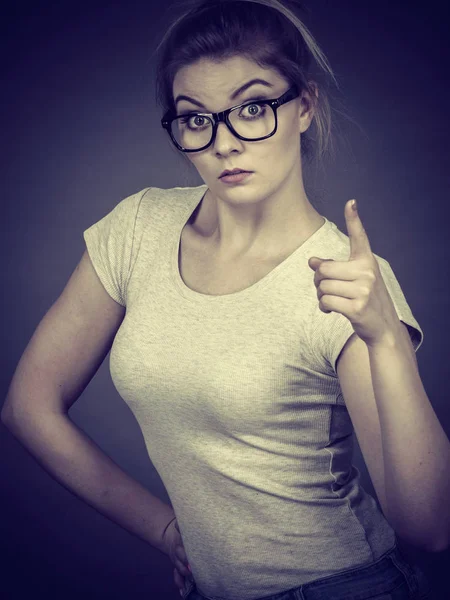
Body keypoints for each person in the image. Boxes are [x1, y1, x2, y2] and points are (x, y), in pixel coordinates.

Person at [2, 1, 446, 599]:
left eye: (253, 108)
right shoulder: (139, 227)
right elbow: (28, 405)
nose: (224, 143)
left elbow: (430, 528)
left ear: (304, 107)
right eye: (196, 119)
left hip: (342, 585)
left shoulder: (349, 280)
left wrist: (386, 335)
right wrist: (162, 529)